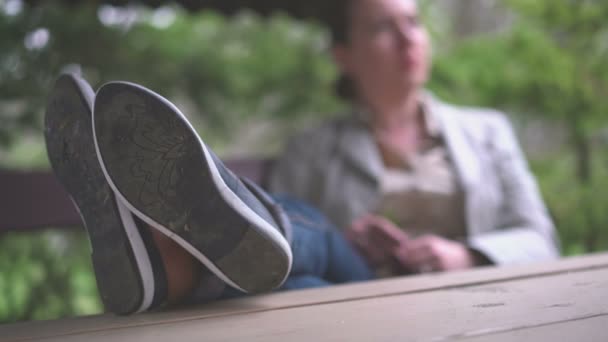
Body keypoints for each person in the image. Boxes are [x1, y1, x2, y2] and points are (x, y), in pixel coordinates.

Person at [269, 0, 560, 275]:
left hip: (471, 297)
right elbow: (280, 246)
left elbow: (540, 240)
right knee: (305, 247)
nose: (407, 38)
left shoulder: (488, 131)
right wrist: (345, 243)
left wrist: (468, 256)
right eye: (383, 27)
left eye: (413, 22)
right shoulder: (308, 150)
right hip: (359, 299)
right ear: (345, 56)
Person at [45, 73, 374, 315]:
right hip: (359, 289)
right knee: (307, 278)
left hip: (394, 284)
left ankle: (178, 270)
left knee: (308, 248)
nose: (406, 38)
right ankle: (186, 265)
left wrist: (425, 251)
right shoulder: (321, 142)